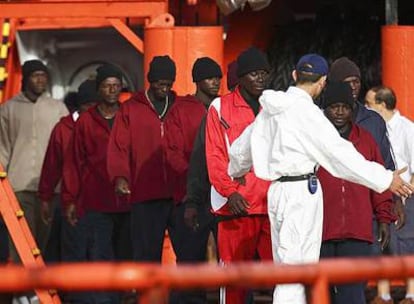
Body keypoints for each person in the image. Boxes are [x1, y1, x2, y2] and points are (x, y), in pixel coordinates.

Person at [227, 53, 413, 304]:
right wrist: (385, 179)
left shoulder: (271, 109)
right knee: (295, 273)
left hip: (278, 192)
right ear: (323, 82)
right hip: (301, 193)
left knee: (287, 267)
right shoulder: (309, 114)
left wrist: (236, 171)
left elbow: (241, 148)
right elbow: (341, 156)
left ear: (294, 75)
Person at [205, 47, 273, 304]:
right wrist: (229, 192)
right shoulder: (220, 106)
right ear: (241, 77)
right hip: (235, 208)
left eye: (264, 73)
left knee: (283, 280)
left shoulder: (275, 107)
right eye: (254, 74)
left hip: (271, 206)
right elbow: (215, 155)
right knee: (234, 283)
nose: (260, 78)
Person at [318, 82, 396, 304]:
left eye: (345, 106)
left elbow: (378, 179)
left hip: (357, 232)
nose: (340, 112)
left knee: (352, 296)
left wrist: (384, 217)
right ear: (325, 109)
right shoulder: (316, 141)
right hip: (321, 231)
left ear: (353, 109)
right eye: (334, 107)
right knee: (321, 294)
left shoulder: (367, 140)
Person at [64, 64, 130, 304]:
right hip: (96, 201)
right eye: (106, 86)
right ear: (98, 89)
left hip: (128, 202)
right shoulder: (85, 122)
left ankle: (120, 297)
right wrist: (70, 198)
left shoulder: (129, 116)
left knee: (124, 256)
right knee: (101, 256)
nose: (112, 90)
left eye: (116, 85)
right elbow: (74, 162)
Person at [108, 55, 179, 264]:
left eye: (168, 84)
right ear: (150, 80)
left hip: (178, 196)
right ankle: (148, 298)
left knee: (189, 258)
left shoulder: (180, 106)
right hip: (145, 195)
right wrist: (120, 177)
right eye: (159, 83)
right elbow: (119, 147)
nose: (164, 88)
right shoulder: (130, 108)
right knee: (146, 257)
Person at [0, 59, 68, 264]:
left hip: (52, 189)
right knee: (21, 244)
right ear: (25, 79)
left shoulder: (58, 109)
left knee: (43, 244)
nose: (41, 80)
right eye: (36, 75)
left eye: (44, 76)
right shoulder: (8, 109)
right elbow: (3, 149)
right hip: (18, 187)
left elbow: (66, 149)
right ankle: (24, 294)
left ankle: (37, 292)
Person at [166, 56, 222, 304]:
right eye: (210, 78)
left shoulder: (224, 107)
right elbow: (172, 151)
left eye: (218, 78)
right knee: (190, 259)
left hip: (222, 195)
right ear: (198, 81)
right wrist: (195, 178)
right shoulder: (181, 109)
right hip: (192, 197)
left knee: (231, 259)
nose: (215, 82)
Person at [365, 86, 414, 304]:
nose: (366, 108)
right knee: (381, 242)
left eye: (369, 104)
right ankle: (383, 294)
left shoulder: (407, 128)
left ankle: (411, 293)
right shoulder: (373, 127)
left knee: (407, 245)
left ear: (382, 105)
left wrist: (406, 192)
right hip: (380, 189)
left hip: (404, 194)